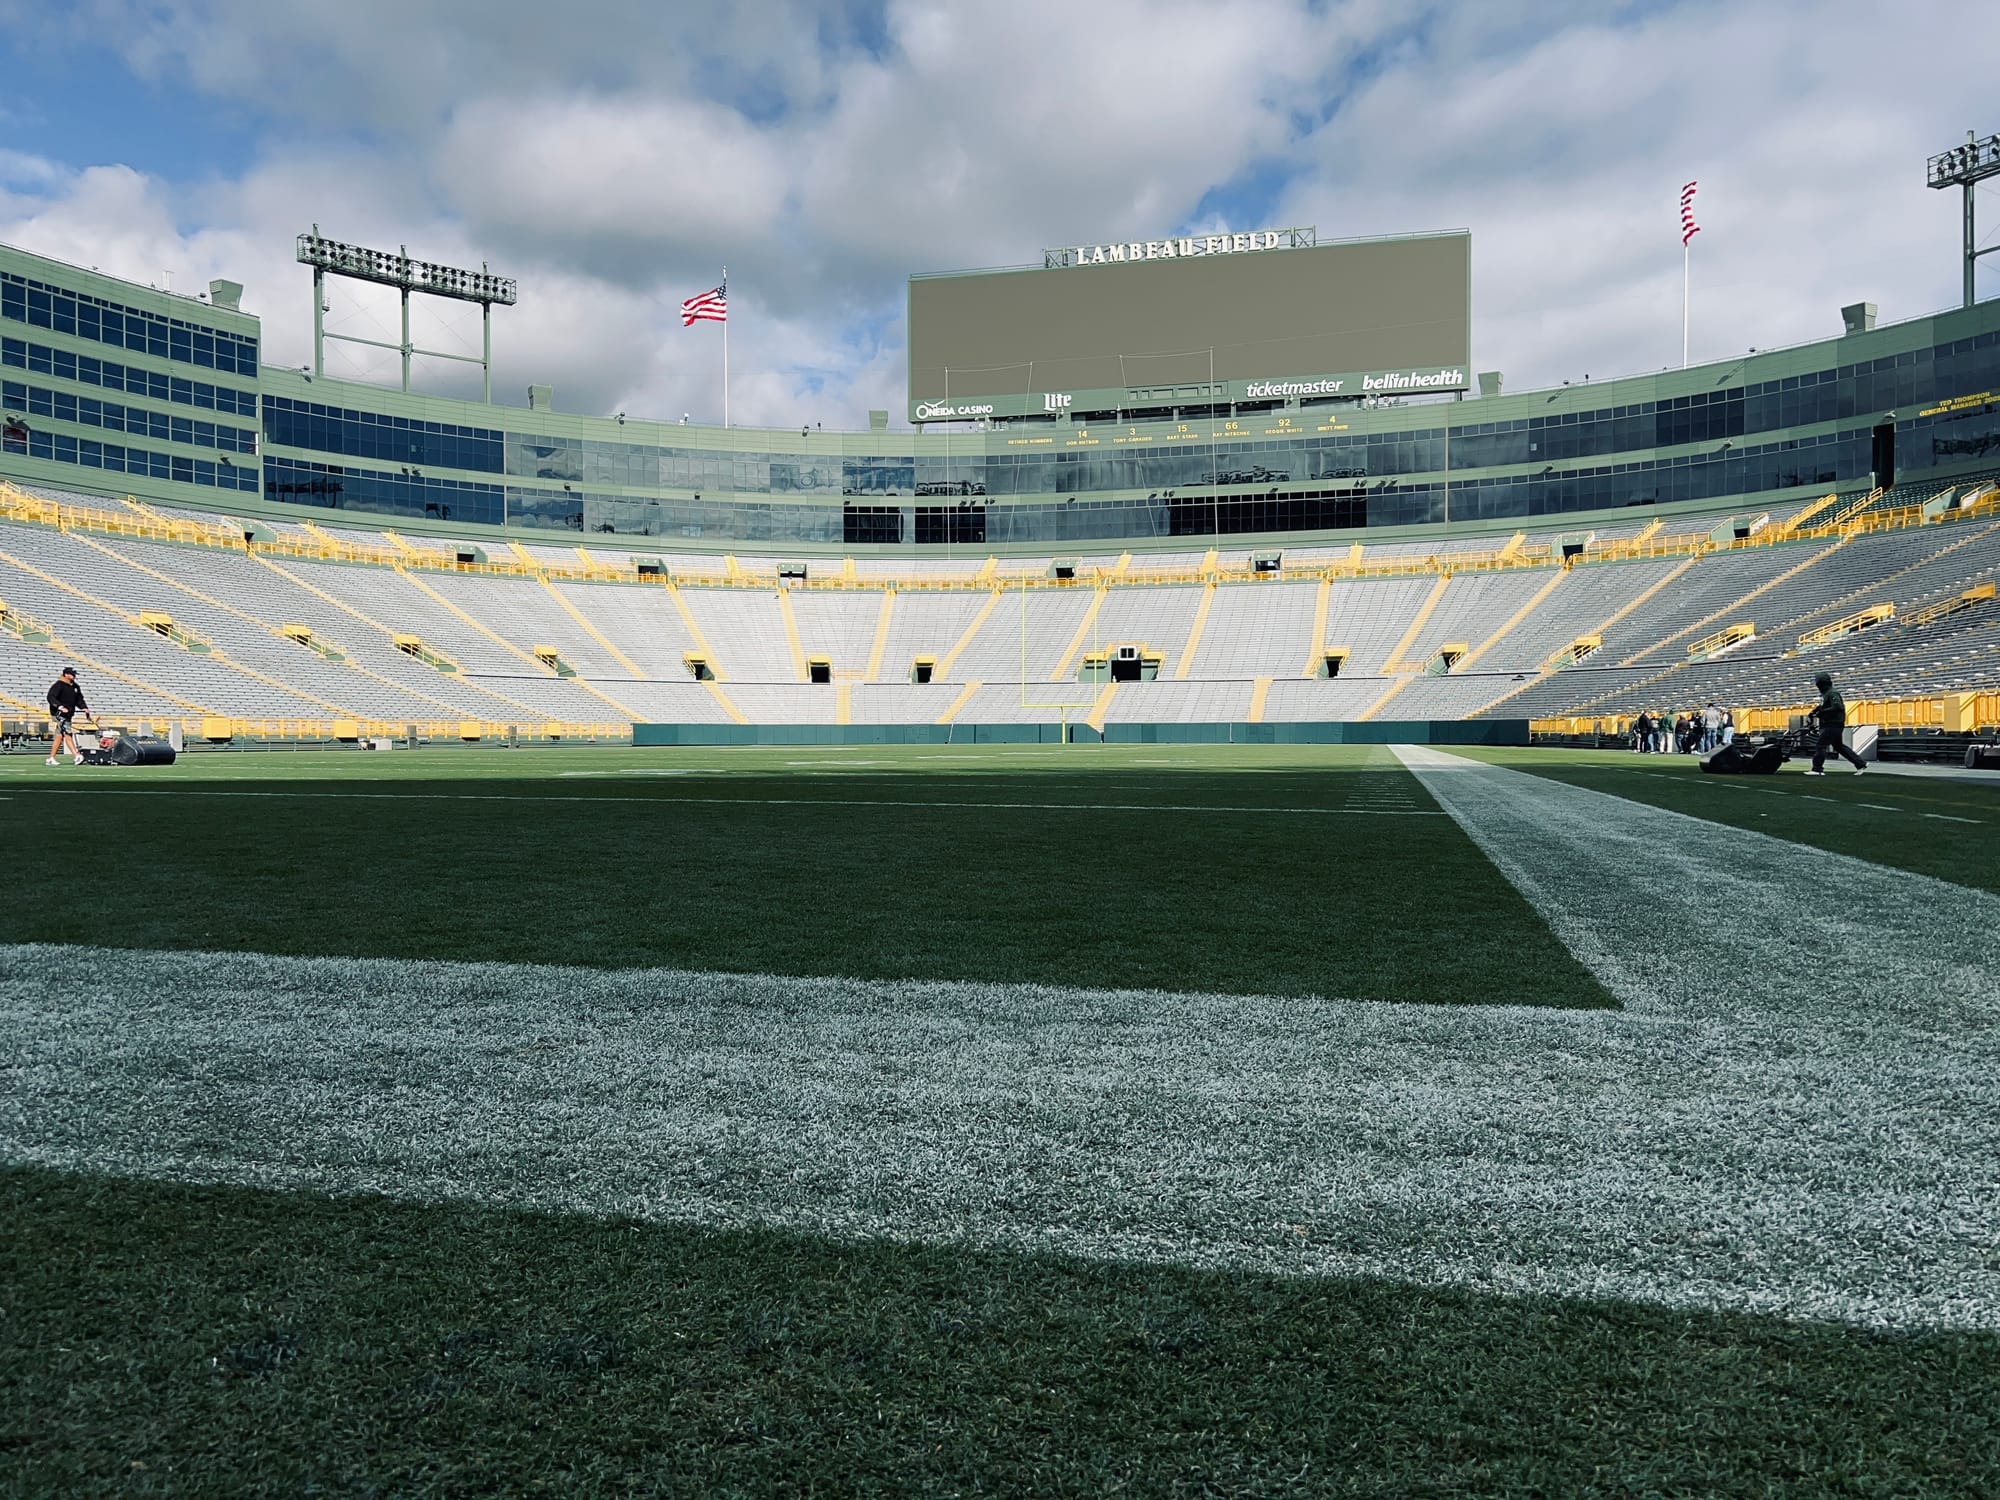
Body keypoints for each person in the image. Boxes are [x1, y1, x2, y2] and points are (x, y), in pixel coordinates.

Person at [1805, 670, 1867, 776]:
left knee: (1821, 745)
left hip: (1833, 724)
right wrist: (1814, 712)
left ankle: (1817, 769)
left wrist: (1821, 712)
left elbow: (1838, 707)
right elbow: (1824, 706)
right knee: (1838, 746)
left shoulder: (1832, 693)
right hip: (1832, 724)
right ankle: (1860, 764)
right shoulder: (1827, 694)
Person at [45, 666, 88, 766]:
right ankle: (76, 755)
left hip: (69, 714)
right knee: (67, 733)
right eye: (72, 674)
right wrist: (60, 707)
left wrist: (84, 707)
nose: (74, 676)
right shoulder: (58, 685)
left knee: (60, 736)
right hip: (59, 714)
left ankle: (51, 758)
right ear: (66, 675)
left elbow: (79, 700)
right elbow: (51, 697)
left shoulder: (75, 687)